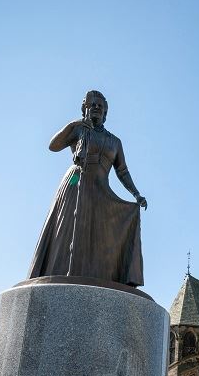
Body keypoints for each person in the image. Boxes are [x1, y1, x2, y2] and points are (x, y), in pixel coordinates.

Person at [27, 90, 147, 286]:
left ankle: (102, 276)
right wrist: (74, 124)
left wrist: (136, 194)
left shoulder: (115, 142)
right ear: (85, 108)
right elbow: (53, 145)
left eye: (101, 106)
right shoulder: (79, 130)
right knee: (65, 230)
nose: (97, 108)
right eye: (93, 104)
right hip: (75, 182)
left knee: (100, 235)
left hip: (101, 190)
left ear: (106, 113)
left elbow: (122, 171)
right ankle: (59, 272)